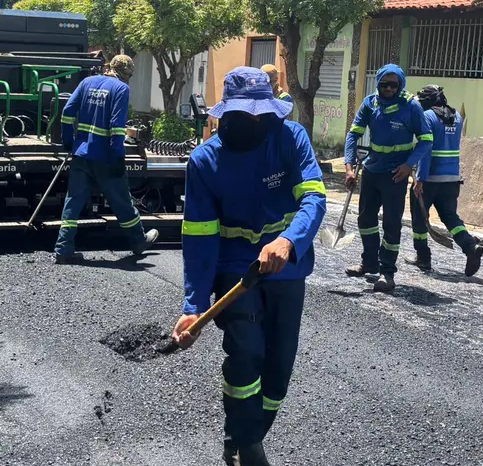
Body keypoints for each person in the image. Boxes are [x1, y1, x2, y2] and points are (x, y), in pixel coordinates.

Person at [170, 67, 327, 466]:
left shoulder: (290, 139)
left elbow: (314, 198)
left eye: (262, 112)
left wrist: (288, 240)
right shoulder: (205, 161)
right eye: (245, 114)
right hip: (234, 272)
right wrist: (192, 305)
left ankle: (240, 435)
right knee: (245, 353)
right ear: (225, 114)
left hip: (286, 268)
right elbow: (200, 238)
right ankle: (250, 450)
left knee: (278, 368)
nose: (256, 120)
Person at [54, 55, 159, 263]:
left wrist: (69, 142)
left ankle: (63, 248)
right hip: (105, 158)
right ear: (126, 73)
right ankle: (138, 241)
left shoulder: (87, 82)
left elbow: (67, 112)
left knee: (73, 201)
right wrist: (118, 158)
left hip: (81, 154)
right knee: (122, 201)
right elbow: (117, 128)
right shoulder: (120, 89)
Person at [343, 64, 433, 293]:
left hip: (396, 174)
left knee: (391, 224)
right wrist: (349, 167)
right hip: (372, 170)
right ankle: (369, 262)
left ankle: (387, 272)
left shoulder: (411, 107)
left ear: (400, 84)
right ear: (378, 83)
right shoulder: (370, 103)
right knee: (365, 220)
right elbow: (353, 135)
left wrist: (409, 165)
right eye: (385, 84)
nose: (389, 89)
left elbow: (426, 139)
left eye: (394, 84)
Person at [405, 85, 483, 276]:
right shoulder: (457, 117)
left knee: (418, 218)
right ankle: (470, 246)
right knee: (450, 217)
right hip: (452, 179)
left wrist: (420, 179)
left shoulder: (427, 117)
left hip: (429, 179)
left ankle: (423, 258)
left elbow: (427, 150)